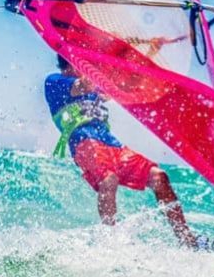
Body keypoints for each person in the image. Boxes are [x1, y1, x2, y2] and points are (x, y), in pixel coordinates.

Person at [45, 54, 198, 249]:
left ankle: (187, 240)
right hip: (84, 143)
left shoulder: (93, 86)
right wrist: (95, 58)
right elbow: (84, 85)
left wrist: (146, 51)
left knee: (160, 177)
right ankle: (110, 243)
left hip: (113, 145)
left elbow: (125, 82)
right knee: (109, 179)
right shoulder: (54, 82)